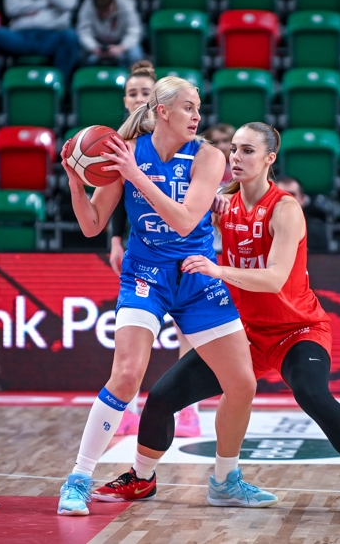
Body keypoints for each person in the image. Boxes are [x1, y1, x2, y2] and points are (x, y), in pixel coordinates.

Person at [92, 122, 340, 515]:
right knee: (160, 398)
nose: (236, 158)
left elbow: (275, 279)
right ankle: (142, 477)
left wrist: (218, 270)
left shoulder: (285, 208)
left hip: (297, 329)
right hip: (245, 334)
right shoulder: (221, 203)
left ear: (270, 158)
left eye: (247, 151)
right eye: (234, 150)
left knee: (311, 393)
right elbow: (175, 215)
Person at [57, 77, 276, 515]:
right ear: (163, 111)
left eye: (198, 108)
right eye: (188, 107)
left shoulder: (208, 156)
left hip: (196, 275)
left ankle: (225, 480)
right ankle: (78, 477)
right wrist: (76, 182)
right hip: (145, 274)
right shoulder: (126, 151)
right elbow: (92, 225)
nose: (197, 116)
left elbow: (184, 220)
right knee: (126, 375)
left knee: (243, 383)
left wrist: (134, 175)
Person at [107, 61, 201, 439]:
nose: (138, 99)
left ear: (159, 104)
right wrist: (115, 239)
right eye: (132, 93)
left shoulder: (185, 143)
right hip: (144, 246)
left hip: (185, 244)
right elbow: (117, 198)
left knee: (187, 328)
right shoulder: (124, 145)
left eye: (145, 93)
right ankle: (126, 409)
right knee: (131, 340)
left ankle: (190, 409)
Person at [0, 0, 80, 83]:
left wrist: (26, 8)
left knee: (70, 37)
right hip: (20, 36)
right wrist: (45, 3)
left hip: (51, 36)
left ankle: (59, 85)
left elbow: (68, 4)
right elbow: (10, 8)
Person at [77, 0, 142, 69]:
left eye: (106, 10)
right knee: (80, 54)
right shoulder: (87, 5)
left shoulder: (126, 5)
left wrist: (121, 47)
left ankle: (130, 75)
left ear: (113, 2)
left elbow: (134, 32)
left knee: (135, 54)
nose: (104, 14)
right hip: (98, 44)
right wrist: (94, 48)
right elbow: (83, 32)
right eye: (101, 11)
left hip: (121, 43)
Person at [274, 175, 329, 253]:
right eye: (281, 195)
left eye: (292, 195)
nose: (286, 200)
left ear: (303, 199)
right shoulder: (260, 227)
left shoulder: (316, 230)